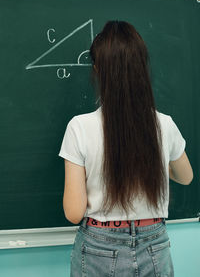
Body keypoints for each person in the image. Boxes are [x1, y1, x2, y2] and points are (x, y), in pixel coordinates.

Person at [59, 21, 193, 277]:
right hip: (155, 245)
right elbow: (186, 177)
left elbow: (74, 213)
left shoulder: (79, 127)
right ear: (142, 67)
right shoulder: (164, 125)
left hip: (99, 247)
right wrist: (155, 160)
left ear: (98, 69)